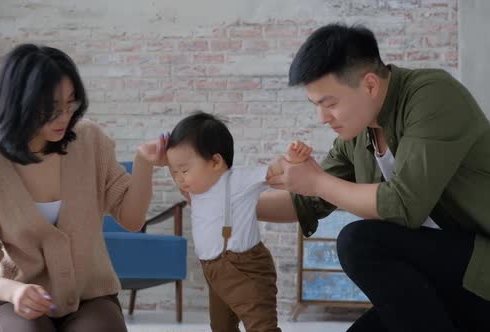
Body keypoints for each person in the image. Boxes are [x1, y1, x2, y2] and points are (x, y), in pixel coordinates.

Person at [264, 23, 490, 332]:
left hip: (482, 272)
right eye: (316, 106)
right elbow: (305, 201)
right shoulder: (359, 134)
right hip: (444, 280)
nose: (322, 118)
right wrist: (223, 200)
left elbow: (404, 204)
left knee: (359, 242)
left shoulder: (433, 95)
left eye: (330, 104)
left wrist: (315, 181)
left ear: (370, 85)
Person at [0, 44, 167, 332]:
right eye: (51, 109)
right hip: (19, 300)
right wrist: (13, 292)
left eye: (70, 104)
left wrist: (144, 163)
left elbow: (131, 219)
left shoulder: (89, 140)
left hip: (91, 297)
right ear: (19, 102)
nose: (64, 117)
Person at [165, 111, 311, 332]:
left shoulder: (237, 181)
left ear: (215, 162)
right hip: (213, 271)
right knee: (221, 327)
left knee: (261, 325)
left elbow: (273, 171)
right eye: (174, 172)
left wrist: (291, 159)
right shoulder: (195, 190)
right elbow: (181, 174)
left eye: (184, 170)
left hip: (244, 268)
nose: (179, 178)